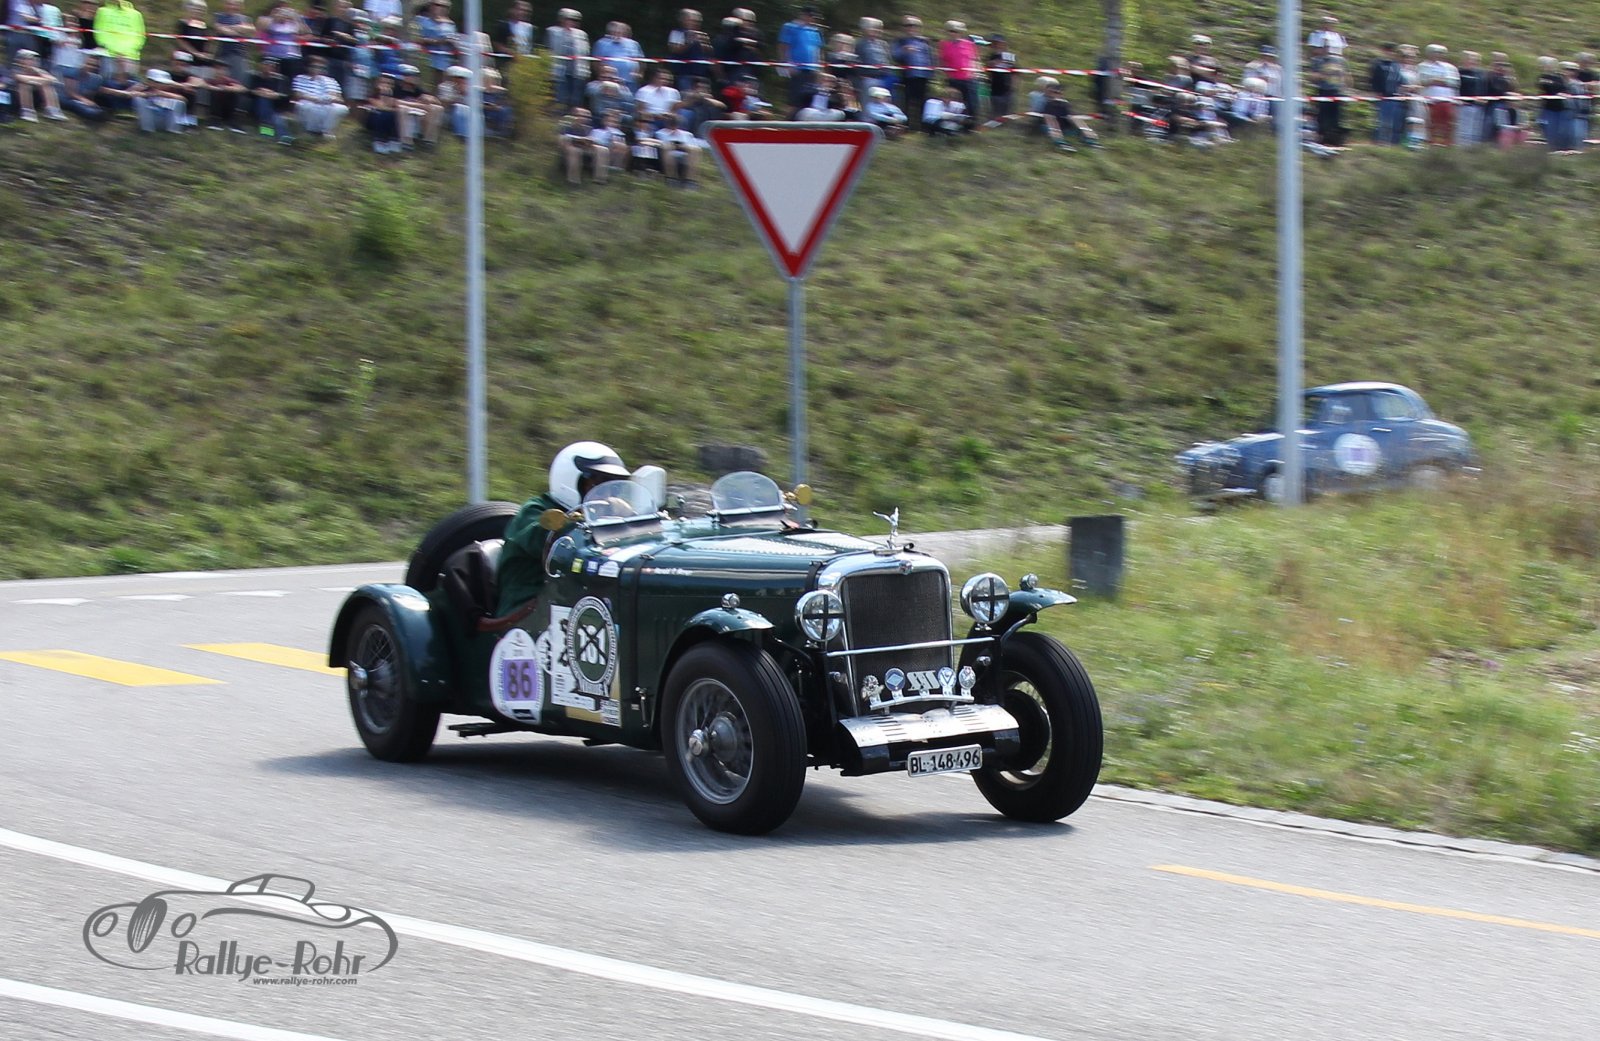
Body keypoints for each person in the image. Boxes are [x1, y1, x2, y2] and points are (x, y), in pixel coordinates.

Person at [496, 443, 630, 615]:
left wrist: (630, 517)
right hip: (527, 613)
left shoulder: (602, 517)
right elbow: (550, 540)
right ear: (573, 481)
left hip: (571, 604)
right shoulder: (534, 511)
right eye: (597, 484)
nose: (607, 495)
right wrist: (588, 516)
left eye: (613, 487)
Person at [777, 3, 822, 110]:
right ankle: (790, 119)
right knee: (794, 100)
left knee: (809, 100)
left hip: (811, 70)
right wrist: (787, 64)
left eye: (814, 17)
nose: (812, 19)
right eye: (810, 16)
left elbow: (818, 50)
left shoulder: (815, 31)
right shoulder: (790, 27)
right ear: (803, 15)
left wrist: (819, 68)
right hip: (797, 69)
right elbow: (783, 46)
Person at [892, 14, 932, 124]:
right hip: (908, 76)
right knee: (907, 101)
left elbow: (930, 57)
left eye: (914, 25)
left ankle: (922, 125)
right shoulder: (900, 41)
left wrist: (931, 72)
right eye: (908, 25)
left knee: (923, 102)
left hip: (923, 76)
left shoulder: (924, 41)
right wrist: (904, 51)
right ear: (904, 28)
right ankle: (905, 125)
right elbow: (895, 56)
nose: (911, 28)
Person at [546, 7, 588, 111]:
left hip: (577, 73)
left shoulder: (582, 34)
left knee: (575, 101)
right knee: (560, 100)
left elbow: (585, 53)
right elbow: (548, 50)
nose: (572, 22)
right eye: (569, 19)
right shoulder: (552, 31)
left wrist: (585, 71)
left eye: (575, 20)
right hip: (558, 72)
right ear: (562, 19)